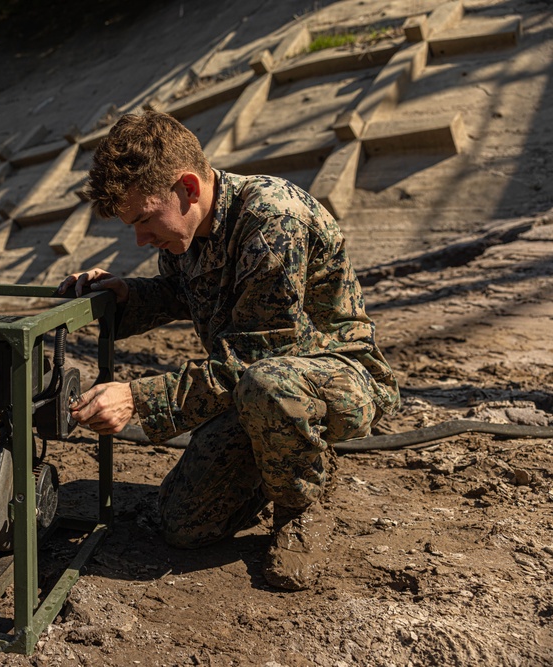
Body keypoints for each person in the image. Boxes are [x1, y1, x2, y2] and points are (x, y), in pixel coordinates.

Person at [58, 109, 400, 591]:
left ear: (189, 188)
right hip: (253, 392)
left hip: (334, 376)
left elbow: (255, 360)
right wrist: (125, 297)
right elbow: (181, 293)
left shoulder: (271, 219)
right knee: (184, 526)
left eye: (144, 221)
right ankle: (272, 457)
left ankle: (301, 504)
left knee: (269, 386)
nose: (139, 239)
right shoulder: (188, 232)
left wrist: (138, 398)